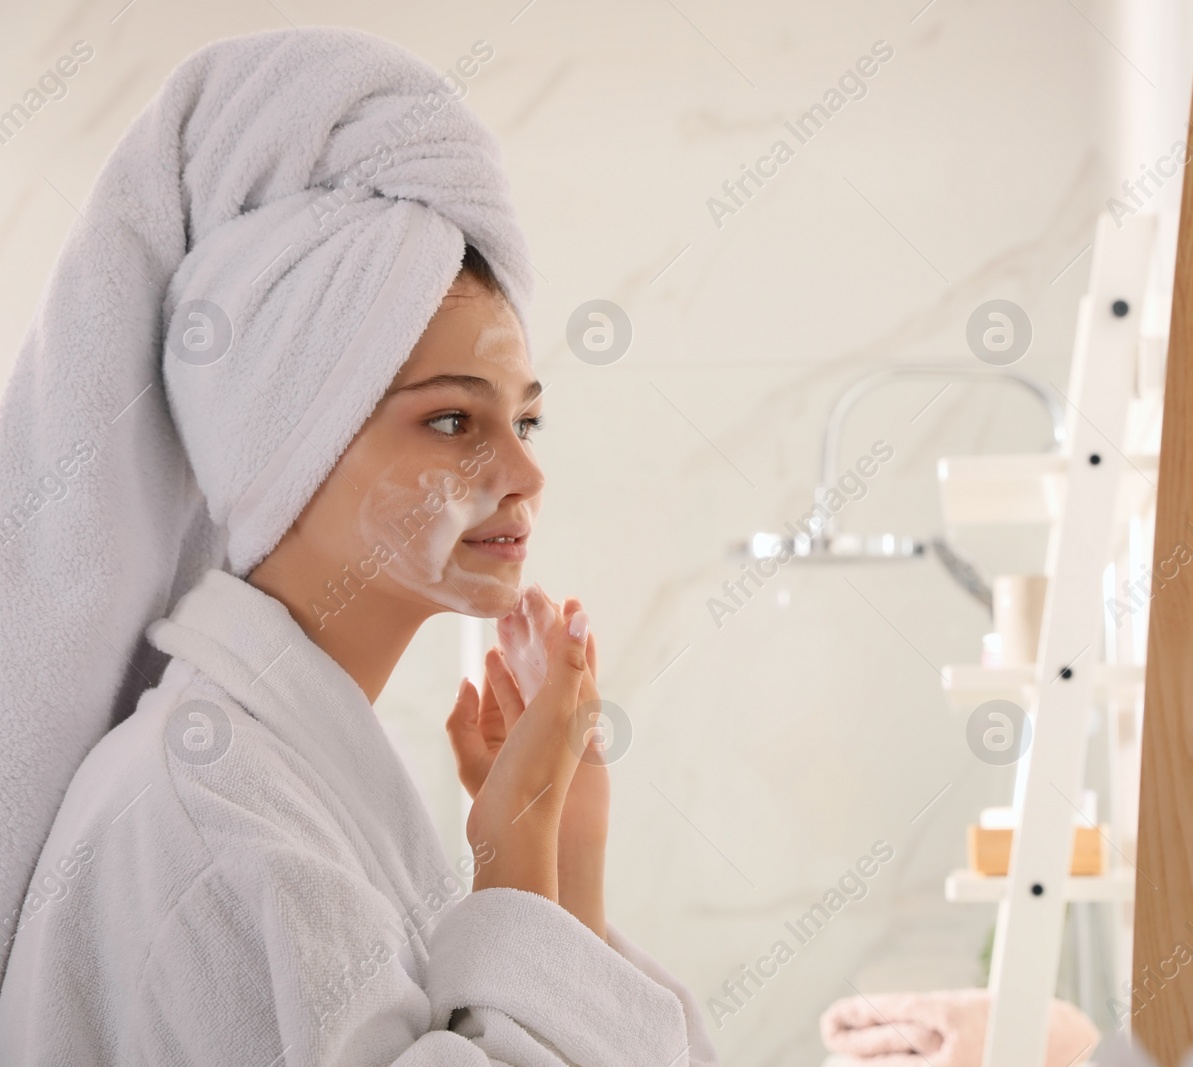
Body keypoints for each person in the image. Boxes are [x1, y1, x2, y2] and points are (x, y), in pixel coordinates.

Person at [0, 26, 716, 1067]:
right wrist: (510, 848)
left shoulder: (279, 775)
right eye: (451, 421)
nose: (523, 473)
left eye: (527, 420)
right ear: (285, 445)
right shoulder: (212, 823)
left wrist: (565, 848)